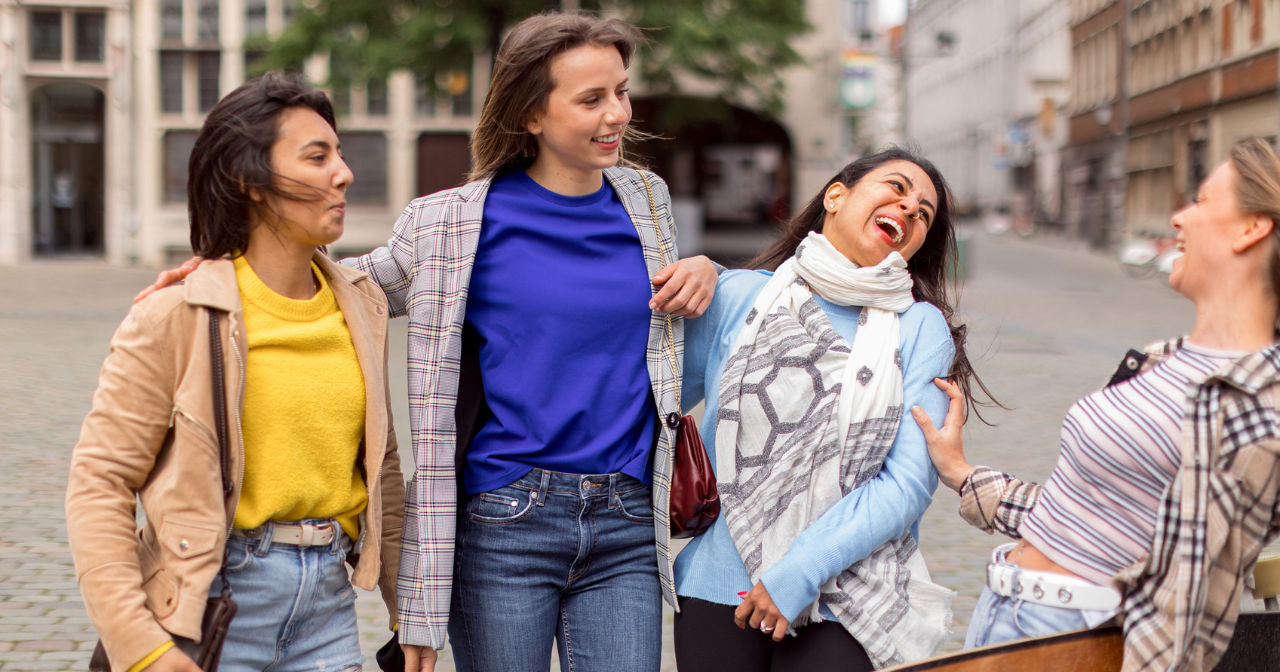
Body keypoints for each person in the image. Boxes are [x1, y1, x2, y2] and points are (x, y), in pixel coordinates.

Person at [136, 11, 719, 672]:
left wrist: (710, 269)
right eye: (591, 99)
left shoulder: (646, 200)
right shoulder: (450, 222)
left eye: (620, 90)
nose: (617, 113)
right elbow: (345, 285)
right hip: (508, 519)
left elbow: (685, 310)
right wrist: (223, 270)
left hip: (626, 518)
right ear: (531, 114)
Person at [65, 72, 404, 672]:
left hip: (329, 607)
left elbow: (386, 470)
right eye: (317, 156)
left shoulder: (362, 305)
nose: (343, 173)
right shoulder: (177, 314)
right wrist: (140, 646)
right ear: (250, 182)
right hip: (210, 607)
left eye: (340, 154)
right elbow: (100, 483)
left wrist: (410, 613)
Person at [912, 137, 1280, 672]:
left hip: (1077, 641)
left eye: (1200, 201)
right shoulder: (1159, 359)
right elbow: (1090, 511)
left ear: (1252, 228)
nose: (1178, 218)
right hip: (1008, 619)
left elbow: (1189, 612)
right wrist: (965, 475)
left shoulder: (1255, 405)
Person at [673, 147, 992, 671]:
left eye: (925, 213)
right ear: (836, 196)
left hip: (847, 595)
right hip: (717, 582)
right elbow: (650, 405)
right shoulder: (738, 296)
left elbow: (907, 483)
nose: (912, 208)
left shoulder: (919, 329)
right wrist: (699, 274)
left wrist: (797, 571)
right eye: (896, 188)